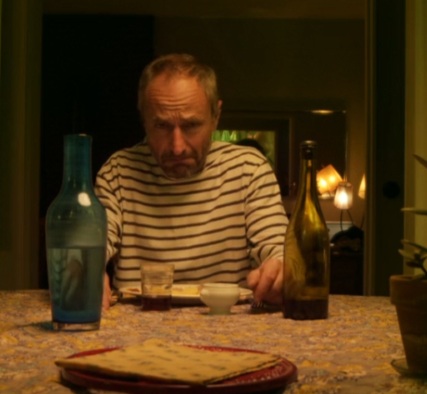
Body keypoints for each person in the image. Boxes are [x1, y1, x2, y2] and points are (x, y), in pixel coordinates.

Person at [97, 54, 288, 307]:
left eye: (191, 126)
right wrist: (85, 269)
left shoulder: (249, 169)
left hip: (227, 322)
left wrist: (281, 271)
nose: (177, 147)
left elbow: (279, 248)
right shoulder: (117, 173)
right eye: (161, 126)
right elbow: (91, 248)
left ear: (216, 116)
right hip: (138, 320)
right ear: (143, 120)